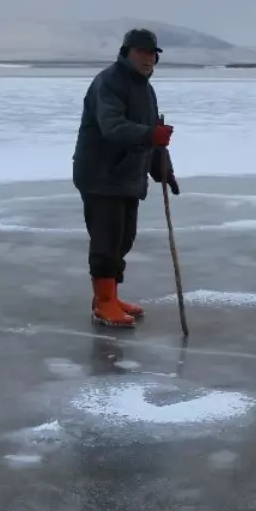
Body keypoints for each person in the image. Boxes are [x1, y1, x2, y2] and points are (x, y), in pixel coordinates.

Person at [72, 27, 180, 328]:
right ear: (126, 53)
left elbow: (154, 136)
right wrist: (149, 135)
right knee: (107, 239)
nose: (148, 60)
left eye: (152, 55)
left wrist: (163, 168)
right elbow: (112, 126)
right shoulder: (109, 82)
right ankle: (104, 303)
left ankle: (109, 295)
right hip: (100, 173)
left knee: (124, 237)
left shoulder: (146, 89)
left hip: (128, 175)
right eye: (142, 53)